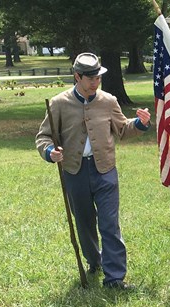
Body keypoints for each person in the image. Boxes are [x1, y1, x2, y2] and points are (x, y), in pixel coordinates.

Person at [35, 52, 150, 290]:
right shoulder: (58, 104)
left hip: (105, 169)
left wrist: (139, 124)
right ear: (77, 77)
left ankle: (115, 277)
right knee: (85, 223)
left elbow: (122, 129)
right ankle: (94, 261)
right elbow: (44, 136)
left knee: (109, 223)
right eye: (91, 78)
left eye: (98, 76)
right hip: (75, 171)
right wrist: (49, 152)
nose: (96, 82)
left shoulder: (108, 101)